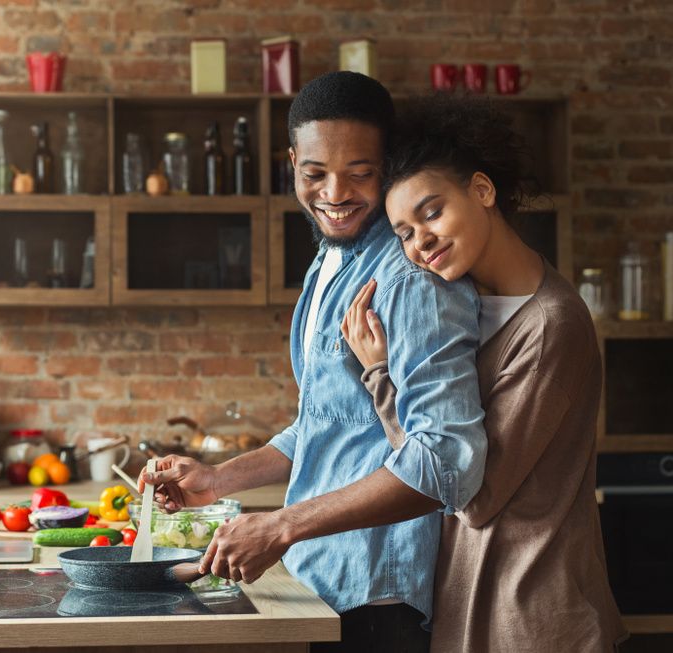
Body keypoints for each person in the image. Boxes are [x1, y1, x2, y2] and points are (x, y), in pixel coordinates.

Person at [140, 72, 488, 651]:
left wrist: (279, 524)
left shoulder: (411, 279)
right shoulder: (329, 263)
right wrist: (219, 477)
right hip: (320, 581)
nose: (335, 193)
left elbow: (447, 461)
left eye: (361, 173)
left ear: (388, 167)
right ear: (291, 163)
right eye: (315, 173)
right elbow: (326, 421)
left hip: (380, 596)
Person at [340, 94, 626, 652]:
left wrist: (380, 376)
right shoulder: (466, 305)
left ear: (482, 190)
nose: (420, 241)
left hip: (536, 621)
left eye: (431, 212)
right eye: (403, 231)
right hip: (480, 605)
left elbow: (471, 490)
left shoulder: (549, 326)